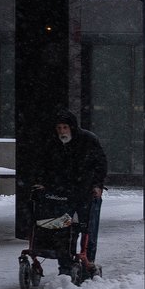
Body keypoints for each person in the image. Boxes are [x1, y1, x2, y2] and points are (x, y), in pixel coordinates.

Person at [45, 109, 108, 274]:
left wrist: (97, 185)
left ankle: (88, 261)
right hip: (63, 194)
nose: (62, 132)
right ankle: (65, 265)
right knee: (63, 229)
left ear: (72, 128)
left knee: (88, 228)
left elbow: (100, 164)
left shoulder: (88, 141)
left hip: (85, 191)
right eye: (59, 128)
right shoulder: (53, 144)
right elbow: (46, 166)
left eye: (65, 128)